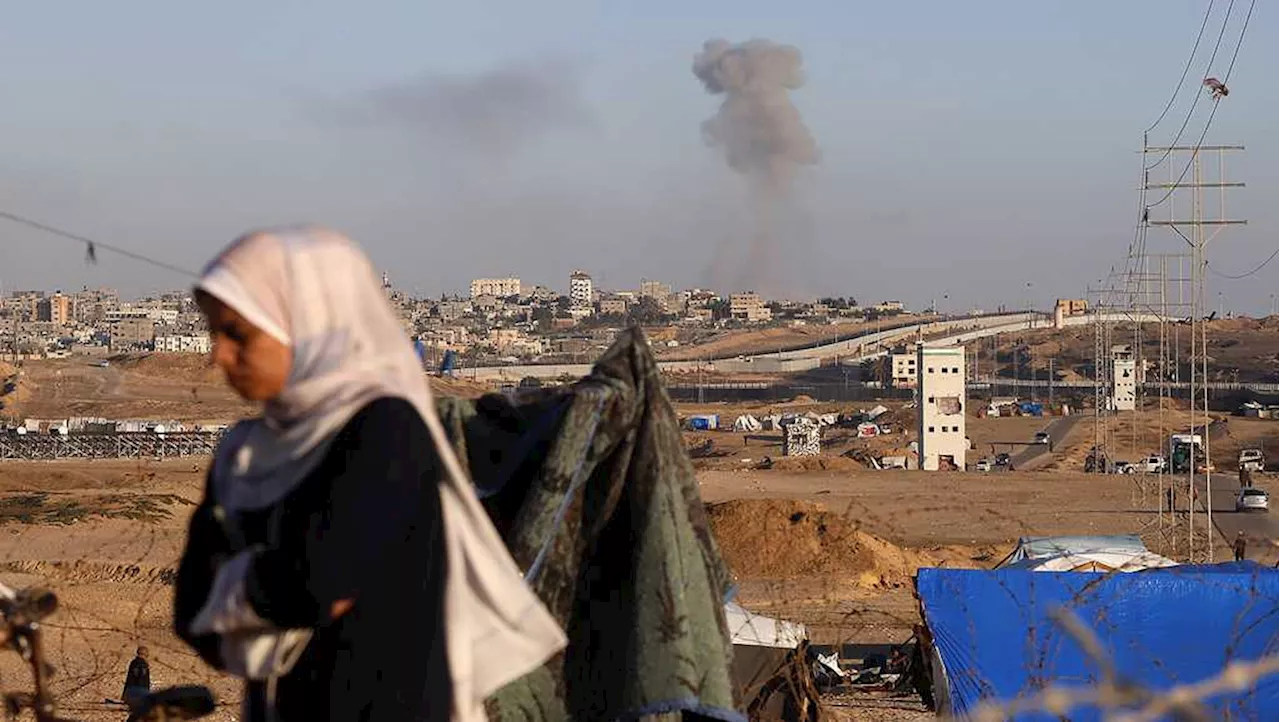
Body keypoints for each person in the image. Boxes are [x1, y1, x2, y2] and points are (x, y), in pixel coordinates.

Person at [172, 227, 565, 722]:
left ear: (309, 324)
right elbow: (191, 614)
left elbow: (320, 582)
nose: (217, 356)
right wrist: (273, 589)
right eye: (213, 333)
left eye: (237, 334)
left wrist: (233, 588)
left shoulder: (385, 428)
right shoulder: (245, 452)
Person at [122, 646, 150, 722]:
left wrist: (124, 696)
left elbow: (130, 679)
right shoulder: (144, 665)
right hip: (140, 693)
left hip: (130, 692)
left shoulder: (133, 663)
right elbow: (142, 679)